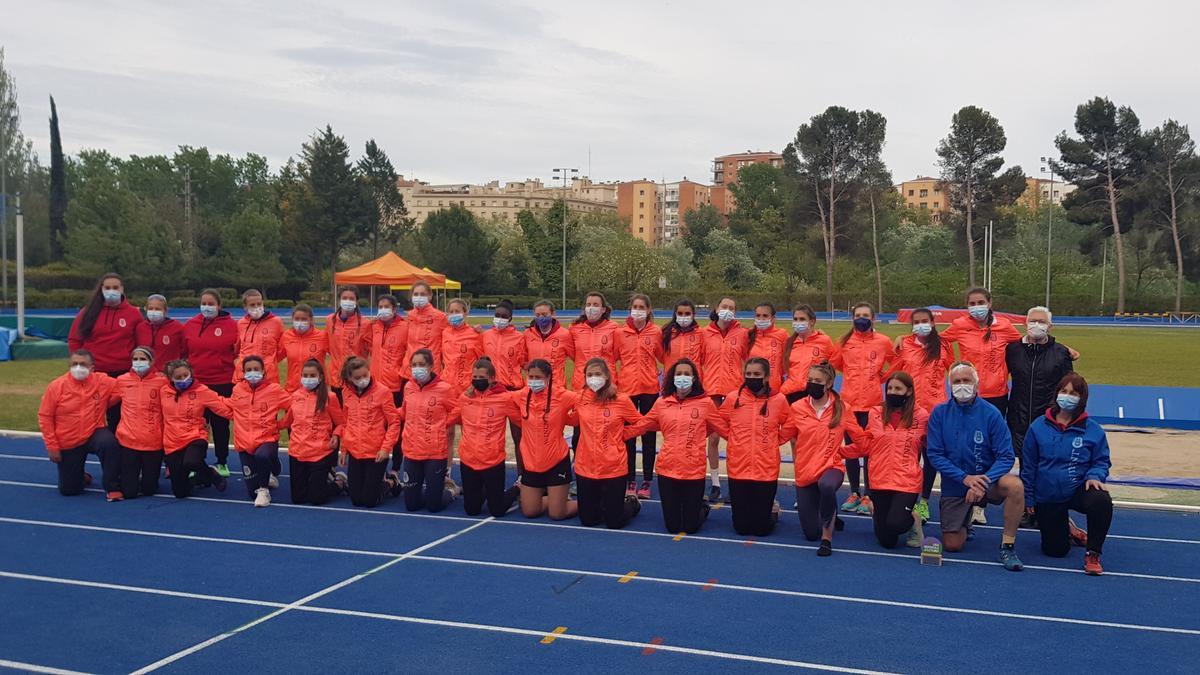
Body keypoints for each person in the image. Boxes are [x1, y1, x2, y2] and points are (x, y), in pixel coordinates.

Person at [925, 362, 1025, 571]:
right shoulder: (939, 413)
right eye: (957, 381)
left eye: (967, 381)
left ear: (977, 385)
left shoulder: (991, 414)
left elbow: (1006, 456)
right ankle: (966, 519)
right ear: (949, 385)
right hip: (956, 484)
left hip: (988, 482)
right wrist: (964, 478)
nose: (962, 386)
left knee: (1015, 486)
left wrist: (983, 482)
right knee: (953, 545)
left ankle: (1008, 545)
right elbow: (935, 454)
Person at [1020, 373, 1112, 575]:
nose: (1068, 396)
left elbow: (1101, 460)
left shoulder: (1093, 430)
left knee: (1101, 500)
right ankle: (1069, 530)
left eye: (1074, 393)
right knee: (1055, 551)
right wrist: (1029, 497)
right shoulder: (1038, 427)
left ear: (1082, 398)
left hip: (1078, 488)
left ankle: (1093, 553)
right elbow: (1028, 465)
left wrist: (1095, 476)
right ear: (1057, 393)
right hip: (1048, 493)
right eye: (1064, 391)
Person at [628, 358, 725, 534]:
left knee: (690, 527)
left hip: (693, 471)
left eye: (687, 374)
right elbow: (642, 425)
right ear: (672, 377)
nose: (682, 377)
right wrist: (618, 434)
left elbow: (722, 428)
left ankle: (702, 507)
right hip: (667, 469)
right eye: (679, 374)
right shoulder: (661, 403)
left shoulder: (706, 403)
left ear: (694, 378)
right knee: (672, 527)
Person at [782, 361, 867, 556]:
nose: (812, 383)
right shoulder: (797, 407)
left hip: (831, 467)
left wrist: (843, 453)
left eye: (817, 380)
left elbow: (861, 441)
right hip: (805, 471)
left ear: (828, 383)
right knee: (810, 533)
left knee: (827, 486)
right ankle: (832, 512)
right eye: (809, 379)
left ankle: (827, 539)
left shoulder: (842, 408)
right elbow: (782, 435)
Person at [846, 372, 929, 549]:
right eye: (890, 388)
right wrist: (838, 453)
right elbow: (866, 444)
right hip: (880, 480)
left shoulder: (921, 416)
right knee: (887, 541)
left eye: (898, 388)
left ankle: (914, 521)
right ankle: (877, 510)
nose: (892, 392)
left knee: (896, 525)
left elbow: (932, 446)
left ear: (908, 391)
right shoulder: (876, 413)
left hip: (907, 481)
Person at [830, 302, 895, 516]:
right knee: (850, 450)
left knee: (870, 452)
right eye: (857, 315)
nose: (861, 318)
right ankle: (854, 492)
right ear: (852, 318)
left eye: (865, 315)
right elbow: (836, 364)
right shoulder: (845, 341)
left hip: (873, 405)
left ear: (873, 319)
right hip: (848, 404)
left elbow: (897, 361)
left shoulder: (883, 341)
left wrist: (883, 377)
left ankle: (869, 495)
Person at [892, 307, 954, 520]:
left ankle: (925, 501)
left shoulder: (943, 345)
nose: (920, 325)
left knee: (931, 458)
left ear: (933, 322)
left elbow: (953, 372)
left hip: (935, 412)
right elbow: (895, 372)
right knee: (908, 456)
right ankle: (906, 497)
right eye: (916, 322)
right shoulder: (905, 344)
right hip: (910, 410)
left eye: (924, 321)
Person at [568, 358, 644, 529]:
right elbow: (569, 418)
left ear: (607, 376)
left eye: (597, 374)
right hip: (586, 466)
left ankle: (632, 503)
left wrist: (624, 435)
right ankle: (604, 504)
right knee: (588, 521)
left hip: (613, 466)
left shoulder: (621, 400)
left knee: (614, 522)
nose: (593, 378)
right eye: (590, 375)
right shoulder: (579, 398)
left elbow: (641, 423)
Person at [720, 358, 790, 537]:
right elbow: (719, 421)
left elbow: (790, 424)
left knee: (761, 530)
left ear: (766, 377)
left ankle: (773, 512)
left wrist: (776, 441)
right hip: (738, 467)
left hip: (765, 468)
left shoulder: (779, 400)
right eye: (748, 374)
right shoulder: (732, 398)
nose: (752, 377)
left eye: (757, 374)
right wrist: (733, 439)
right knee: (741, 529)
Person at [37, 350, 121, 498]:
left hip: (94, 432)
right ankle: (80, 476)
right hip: (68, 439)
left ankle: (112, 486)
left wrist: (104, 404)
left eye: (82, 364)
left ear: (92, 368)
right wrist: (52, 446)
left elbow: (125, 388)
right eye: (74, 364)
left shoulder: (103, 381)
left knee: (109, 443)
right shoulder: (56, 386)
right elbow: (45, 416)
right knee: (69, 490)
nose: (78, 367)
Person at [68, 273, 143, 432]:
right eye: (107, 287)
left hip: (122, 374)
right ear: (101, 290)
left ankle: (118, 452)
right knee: (90, 414)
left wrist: (136, 369)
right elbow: (75, 340)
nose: (111, 291)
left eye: (115, 287)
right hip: (95, 374)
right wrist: (80, 365)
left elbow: (140, 344)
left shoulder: (133, 314)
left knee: (119, 417)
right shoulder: (88, 312)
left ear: (122, 289)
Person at [1006, 306, 1074, 469]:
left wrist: (1059, 413)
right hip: (1019, 419)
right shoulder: (1012, 350)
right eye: (1033, 321)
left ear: (1050, 326)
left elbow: (1068, 385)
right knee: (1026, 467)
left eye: (1042, 322)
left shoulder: (1061, 353)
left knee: (1048, 465)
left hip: (1048, 419)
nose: (1037, 325)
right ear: (1025, 324)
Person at [511, 359, 579, 520]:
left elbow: (586, 399)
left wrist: (570, 419)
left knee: (557, 514)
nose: (534, 381)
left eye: (538, 377)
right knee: (530, 511)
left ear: (548, 378)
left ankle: (590, 500)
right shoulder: (522, 395)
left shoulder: (562, 396)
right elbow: (500, 398)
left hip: (556, 461)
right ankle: (557, 499)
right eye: (531, 377)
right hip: (531, 463)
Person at [181, 289, 239, 477]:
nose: (207, 307)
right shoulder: (190, 325)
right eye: (204, 303)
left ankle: (222, 461)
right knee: (197, 424)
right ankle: (197, 462)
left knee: (220, 425)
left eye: (211, 303)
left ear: (219, 305)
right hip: (196, 383)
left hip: (222, 381)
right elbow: (184, 352)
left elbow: (237, 352)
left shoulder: (232, 325)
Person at [395, 349, 460, 512]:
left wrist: (442, 425)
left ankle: (450, 491)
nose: (417, 368)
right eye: (414, 365)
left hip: (434, 453)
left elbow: (457, 411)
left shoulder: (444, 388)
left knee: (434, 506)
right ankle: (425, 492)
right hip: (411, 450)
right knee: (411, 505)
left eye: (422, 364)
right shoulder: (409, 386)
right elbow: (404, 411)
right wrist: (387, 412)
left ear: (431, 366)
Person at [940, 288, 1022, 416]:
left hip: (996, 392)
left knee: (992, 431)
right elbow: (938, 341)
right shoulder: (960, 325)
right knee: (965, 429)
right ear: (967, 305)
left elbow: (1024, 344)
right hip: (967, 388)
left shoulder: (1004, 325)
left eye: (980, 302)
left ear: (989, 303)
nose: (976, 307)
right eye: (972, 304)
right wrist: (953, 367)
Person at [457, 357, 522, 517]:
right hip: (469, 459)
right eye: (475, 377)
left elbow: (520, 421)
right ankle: (485, 489)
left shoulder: (505, 398)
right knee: (471, 510)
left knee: (497, 510)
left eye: (482, 378)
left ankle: (518, 487)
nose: (477, 381)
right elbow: (452, 416)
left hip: (492, 460)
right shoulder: (466, 398)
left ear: (492, 378)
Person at [278, 359, 347, 506]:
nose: (308, 379)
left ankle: (339, 483)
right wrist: (269, 426)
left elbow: (341, 423)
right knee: (298, 498)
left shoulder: (330, 397)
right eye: (305, 375)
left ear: (320, 377)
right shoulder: (296, 396)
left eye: (312, 375)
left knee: (316, 498)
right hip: (298, 452)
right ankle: (322, 479)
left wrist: (336, 435)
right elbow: (287, 420)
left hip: (320, 452)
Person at [159, 359, 232, 498]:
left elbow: (222, 407)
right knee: (180, 492)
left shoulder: (202, 391)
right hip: (172, 441)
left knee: (191, 462)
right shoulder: (163, 391)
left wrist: (246, 416)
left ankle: (211, 475)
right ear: (170, 379)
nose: (183, 379)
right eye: (178, 377)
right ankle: (199, 478)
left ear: (191, 373)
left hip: (195, 436)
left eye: (185, 375)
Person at [338, 357, 403, 508]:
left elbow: (394, 422)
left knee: (369, 501)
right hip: (356, 452)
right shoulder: (346, 393)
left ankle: (391, 482)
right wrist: (344, 449)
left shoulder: (383, 392)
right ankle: (379, 479)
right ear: (349, 378)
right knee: (356, 500)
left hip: (376, 453)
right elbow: (346, 422)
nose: (362, 380)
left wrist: (386, 448)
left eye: (365, 375)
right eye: (357, 377)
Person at [702, 296, 748, 502]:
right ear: (716, 308)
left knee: (735, 440)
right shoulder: (705, 333)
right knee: (712, 438)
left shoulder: (743, 334)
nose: (727, 310)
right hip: (711, 391)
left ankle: (735, 482)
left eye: (731, 307)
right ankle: (715, 483)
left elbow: (750, 359)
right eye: (724, 306)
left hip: (734, 393)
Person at [617, 293, 663, 499]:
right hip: (626, 390)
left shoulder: (656, 332)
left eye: (641, 307)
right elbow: (612, 358)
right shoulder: (620, 333)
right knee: (628, 436)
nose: (637, 310)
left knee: (648, 436)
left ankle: (646, 480)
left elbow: (663, 356)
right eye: (634, 306)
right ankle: (629, 480)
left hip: (649, 389)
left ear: (648, 310)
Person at [229, 355, 290, 507]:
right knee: (251, 493)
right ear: (243, 373)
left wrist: (281, 424)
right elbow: (231, 408)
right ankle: (267, 474)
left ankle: (264, 490)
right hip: (244, 443)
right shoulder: (237, 390)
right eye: (249, 370)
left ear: (263, 370)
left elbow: (293, 406)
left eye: (256, 369)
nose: (253, 372)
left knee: (262, 456)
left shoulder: (274, 389)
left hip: (266, 438)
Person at [112, 346, 168, 499]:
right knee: (129, 493)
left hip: (153, 441)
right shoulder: (122, 380)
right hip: (128, 440)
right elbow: (106, 401)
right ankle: (127, 478)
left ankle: (147, 478)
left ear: (152, 361)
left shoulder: (162, 381)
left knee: (150, 490)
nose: (138, 362)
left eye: (142, 359)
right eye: (135, 359)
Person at [481, 299, 526, 473]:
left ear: (510, 318)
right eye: (497, 315)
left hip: (513, 391)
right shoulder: (485, 336)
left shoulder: (519, 338)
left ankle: (523, 476)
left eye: (504, 316)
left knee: (518, 436)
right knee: (490, 436)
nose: (499, 318)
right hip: (492, 392)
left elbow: (524, 362)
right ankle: (489, 474)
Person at [367, 294, 409, 471]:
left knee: (397, 427)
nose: (383, 309)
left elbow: (410, 351)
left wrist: (400, 374)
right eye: (380, 306)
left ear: (394, 309)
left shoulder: (405, 327)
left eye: (386, 306)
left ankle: (396, 468)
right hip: (374, 386)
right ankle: (377, 464)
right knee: (377, 427)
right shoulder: (373, 326)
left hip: (395, 386)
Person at [779, 304, 835, 404]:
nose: (797, 322)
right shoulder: (789, 342)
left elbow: (832, 367)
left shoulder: (824, 341)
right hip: (790, 393)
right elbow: (783, 368)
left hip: (813, 392)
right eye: (795, 319)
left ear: (812, 321)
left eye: (802, 319)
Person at [326, 287, 371, 397]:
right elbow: (327, 346)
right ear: (339, 300)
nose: (348, 301)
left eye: (351, 298)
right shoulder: (330, 320)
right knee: (338, 412)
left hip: (356, 378)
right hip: (336, 377)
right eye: (344, 298)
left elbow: (371, 350)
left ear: (356, 301)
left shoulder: (365, 323)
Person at [570, 292, 619, 391]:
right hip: (581, 381)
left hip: (606, 381)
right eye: (588, 305)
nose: (591, 308)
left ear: (603, 309)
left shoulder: (614, 328)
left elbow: (617, 354)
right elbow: (572, 354)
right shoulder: (574, 328)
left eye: (595, 305)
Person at [234, 289, 285, 384]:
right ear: (245, 307)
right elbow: (237, 348)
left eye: (259, 304)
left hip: (268, 376)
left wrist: (270, 362)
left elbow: (282, 349)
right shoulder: (241, 323)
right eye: (252, 305)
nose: (257, 307)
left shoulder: (276, 322)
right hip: (244, 376)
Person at [525, 299, 575, 387]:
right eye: (538, 315)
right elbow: (522, 360)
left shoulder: (564, 334)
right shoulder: (527, 334)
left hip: (556, 386)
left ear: (553, 314)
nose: (541, 318)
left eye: (544, 314)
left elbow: (576, 358)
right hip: (533, 385)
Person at [279, 304, 330, 392]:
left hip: (317, 388)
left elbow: (337, 356)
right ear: (292, 319)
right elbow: (275, 357)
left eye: (304, 319)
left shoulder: (322, 336)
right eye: (297, 319)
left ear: (311, 320)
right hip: (293, 389)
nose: (300, 322)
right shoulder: (286, 336)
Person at [135, 294, 184, 373]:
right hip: (146, 374)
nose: (154, 312)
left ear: (165, 310)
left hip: (168, 374)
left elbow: (184, 352)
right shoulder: (140, 328)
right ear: (146, 309)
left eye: (157, 309)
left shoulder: (177, 328)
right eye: (150, 308)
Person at [747, 303, 789, 392]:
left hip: (774, 387)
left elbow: (787, 360)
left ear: (773, 318)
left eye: (765, 316)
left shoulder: (782, 335)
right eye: (758, 315)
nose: (761, 319)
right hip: (752, 386)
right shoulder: (748, 334)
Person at [405, 281, 448, 366]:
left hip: (430, 368)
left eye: (422, 294)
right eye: (416, 294)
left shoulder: (440, 317)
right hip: (409, 367)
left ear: (430, 296)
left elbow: (455, 334)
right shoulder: (409, 316)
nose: (419, 297)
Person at [661, 298, 705, 377]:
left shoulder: (701, 333)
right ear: (675, 314)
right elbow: (660, 355)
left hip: (693, 380)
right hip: (670, 379)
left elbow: (703, 358)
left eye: (687, 314)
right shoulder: (666, 333)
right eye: (680, 313)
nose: (683, 316)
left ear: (693, 315)